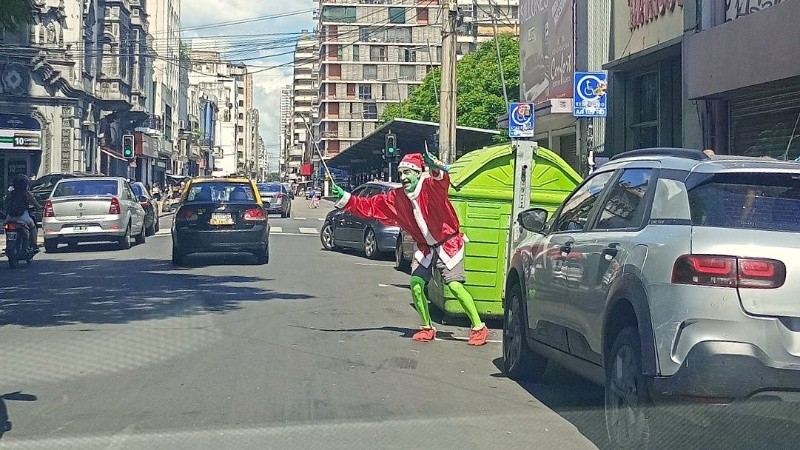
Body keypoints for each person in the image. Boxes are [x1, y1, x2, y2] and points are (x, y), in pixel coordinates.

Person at [331, 152, 489, 346]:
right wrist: (347, 199)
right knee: (415, 284)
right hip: (425, 247)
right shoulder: (396, 197)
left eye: (408, 172)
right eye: (401, 174)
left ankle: (478, 327)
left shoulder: (430, 187)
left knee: (455, 286)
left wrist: (435, 167)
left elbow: (440, 181)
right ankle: (427, 327)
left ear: (417, 173)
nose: (404, 178)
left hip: (448, 242)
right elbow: (371, 205)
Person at [3, 174, 42, 250]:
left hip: (10, 217)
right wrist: (39, 207)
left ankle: (8, 243)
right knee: (33, 227)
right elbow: (36, 205)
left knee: (7, 229)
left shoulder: (10, 194)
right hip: (22, 217)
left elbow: (5, 204)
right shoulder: (27, 194)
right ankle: (34, 245)